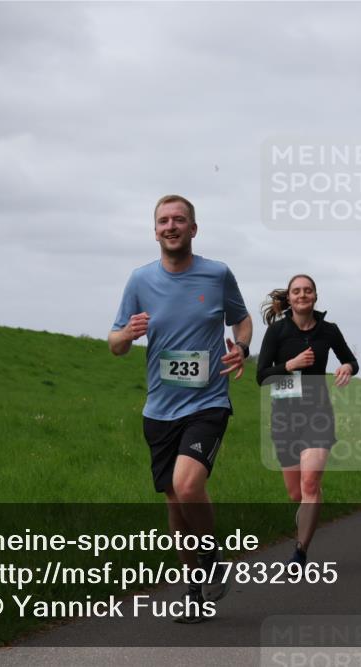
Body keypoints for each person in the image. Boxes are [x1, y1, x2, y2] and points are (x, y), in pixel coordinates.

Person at [109, 194, 252, 623]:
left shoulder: (217, 273)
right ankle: (193, 590)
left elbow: (242, 319)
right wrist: (127, 334)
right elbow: (114, 345)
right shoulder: (139, 281)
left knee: (188, 486)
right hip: (159, 409)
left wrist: (241, 347)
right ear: (155, 231)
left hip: (208, 402)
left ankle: (212, 558)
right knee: (175, 507)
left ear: (194, 228)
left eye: (179, 220)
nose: (171, 226)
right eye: (163, 221)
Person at [256, 275, 358, 565]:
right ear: (289, 298)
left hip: (318, 414)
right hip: (285, 417)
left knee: (310, 483)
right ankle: (310, 506)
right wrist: (290, 365)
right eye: (297, 291)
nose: (302, 295)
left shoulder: (328, 330)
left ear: (315, 296)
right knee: (296, 492)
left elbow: (351, 360)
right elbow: (261, 376)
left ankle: (300, 551)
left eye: (308, 290)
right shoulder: (277, 332)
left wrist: (347, 367)